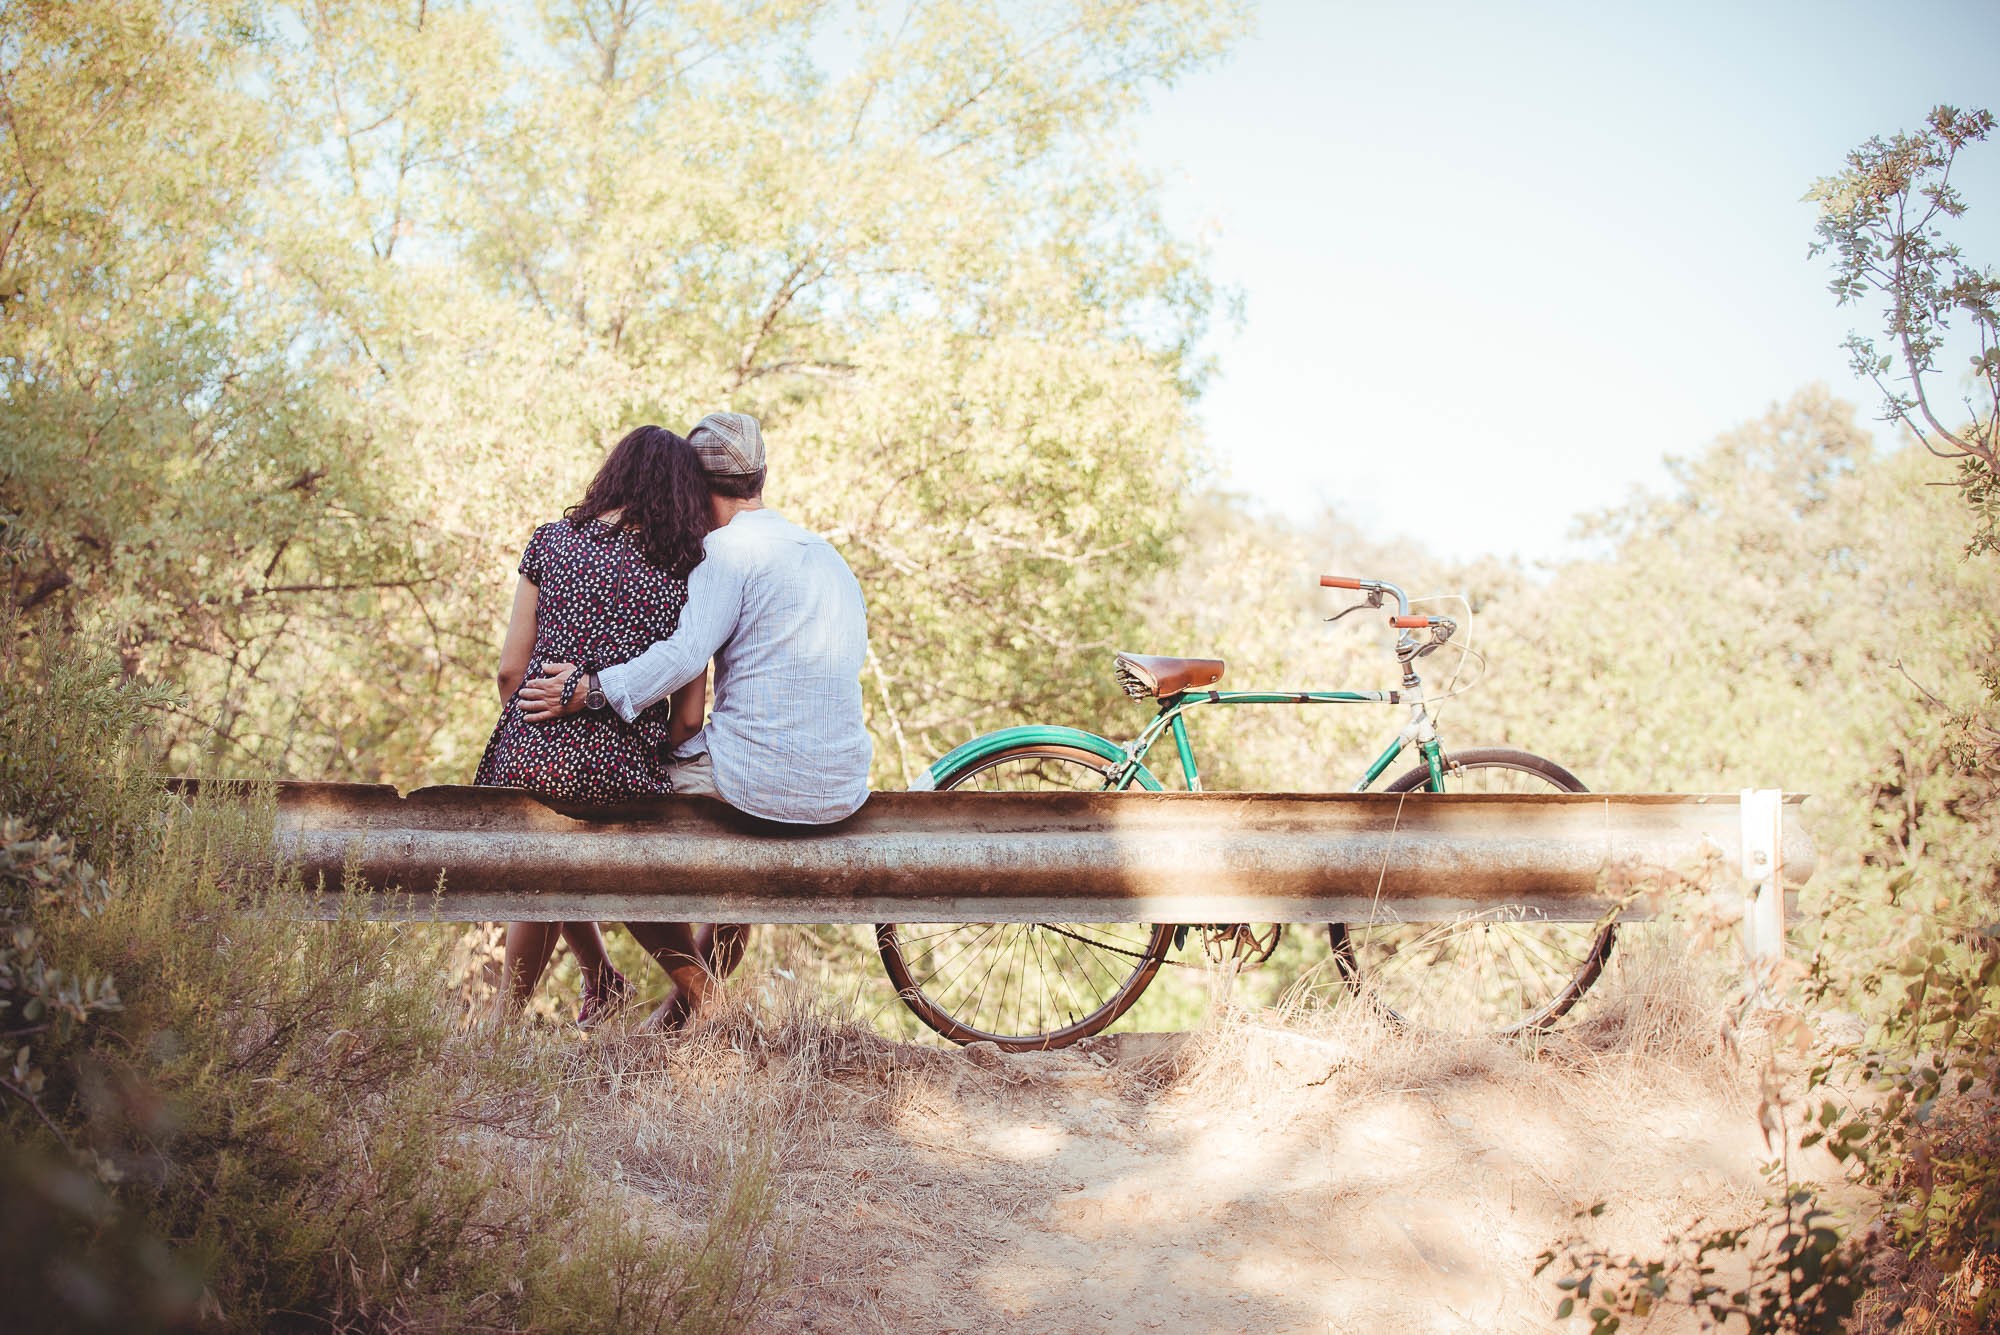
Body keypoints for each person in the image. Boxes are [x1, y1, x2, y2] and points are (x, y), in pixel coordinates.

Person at [519, 410, 872, 1025]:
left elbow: (683, 656)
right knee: (744, 878)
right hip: (840, 787)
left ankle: (708, 1006)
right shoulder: (825, 554)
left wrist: (592, 691)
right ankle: (669, 1029)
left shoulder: (724, 553)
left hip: (756, 781)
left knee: (607, 823)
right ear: (760, 474)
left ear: (692, 482)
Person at [475, 424, 726, 1025]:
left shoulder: (552, 543)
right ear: (683, 494)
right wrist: (645, 744)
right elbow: (690, 713)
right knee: (591, 846)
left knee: (547, 851)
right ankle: (704, 998)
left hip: (531, 753)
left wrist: (539, 731)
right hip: (622, 768)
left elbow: (511, 672)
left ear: (612, 474)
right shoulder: (689, 569)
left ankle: (506, 1027)